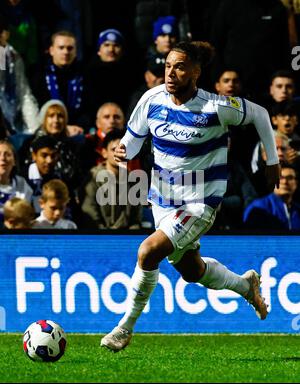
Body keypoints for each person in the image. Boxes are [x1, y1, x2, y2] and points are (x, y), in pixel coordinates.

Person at [100, 41, 281, 352]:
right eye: (168, 66)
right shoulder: (151, 99)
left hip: (200, 203)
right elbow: (132, 140)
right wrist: (124, 151)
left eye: (180, 67)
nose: (171, 72)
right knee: (192, 271)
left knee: (147, 252)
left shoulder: (216, 107)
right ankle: (245, 285)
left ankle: (124, 328)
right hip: (161, 201)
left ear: (196, 73)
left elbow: (261, 115)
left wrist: (273, 160)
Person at [81, 128, 142, 230]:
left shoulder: (134, 181)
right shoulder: (92, 178)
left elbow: (135, 220)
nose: (120, 153)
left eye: (124, 149)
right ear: (104, 153)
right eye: (114, 149)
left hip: (128, 239)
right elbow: (90, 218)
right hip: (99, 238)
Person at [30, 30, 87, 135]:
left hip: (77, 131)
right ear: (51, 50)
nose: (66, 52)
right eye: (61, 48)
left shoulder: (85, 74)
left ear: (75, 52)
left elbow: (88, 108)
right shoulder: (38, 74)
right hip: (46, 129)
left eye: (70, 48)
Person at [0, 14, 39, 136]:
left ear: (6, 34)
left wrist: (35, 129)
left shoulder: (13, 57)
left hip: (14, 122)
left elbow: (24, 94)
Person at [243, 164, 300, 230]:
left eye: (290, 178)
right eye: (280, 178)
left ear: (296, 183)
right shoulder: (258, 207)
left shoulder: (297, 209)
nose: (285, 182)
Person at [0, 139, 32, 227]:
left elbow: (23, 214)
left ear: (14, 161)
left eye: (7, 154)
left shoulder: (21, 184)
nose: (3, 158)